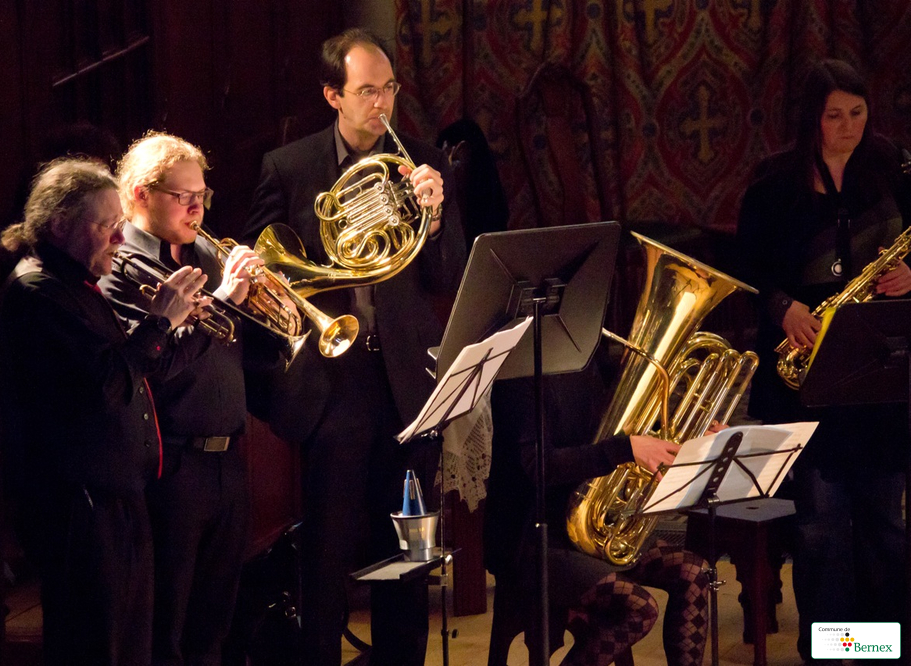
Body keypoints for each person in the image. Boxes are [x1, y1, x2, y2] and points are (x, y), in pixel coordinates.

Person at [242, 28, 466, 666]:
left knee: (409, 554)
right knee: (326, 555)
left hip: (408, 387)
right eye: (366, 90)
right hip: (332, 386)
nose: (382, 103)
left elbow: (448, 276)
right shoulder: (289, 167)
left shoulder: (425, 163)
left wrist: (436, 217)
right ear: (332, 95)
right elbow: (260, 273)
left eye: (389, 88)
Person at [0, 157, 207, 666]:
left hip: (117, 500)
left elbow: (131, 370)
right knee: (96, 648)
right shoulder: (38, 291)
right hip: (80, 510)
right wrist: (158, 323)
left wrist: (184, 324)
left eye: (119, 224)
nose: (118, 238)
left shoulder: (78, 286)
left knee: (131, 647)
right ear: (58, 225)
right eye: (106, 226)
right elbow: (106, 385)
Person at [735, 58, 911, 663]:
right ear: (811, 118)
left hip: (880, 378)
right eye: (834, 115)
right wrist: (783, 308)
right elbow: (746, 272)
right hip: (805, 382)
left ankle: (883, 649)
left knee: (887, 526)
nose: (848, 126)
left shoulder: (892, 169)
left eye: (857, 113)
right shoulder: (772, 187)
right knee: (820, 530)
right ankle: (835, 653)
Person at [99, 132, 284, 666]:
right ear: (141, 194)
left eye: (202, 194)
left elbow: (244, 351)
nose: (197, 208)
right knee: (168, 631)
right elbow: (155, 366)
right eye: (183, 197)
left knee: (215, 628)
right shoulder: (120, 265)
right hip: (172, 467)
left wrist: (270, 304)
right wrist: (223, 301)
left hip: (231, 460)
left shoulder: (208, 253)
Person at [484, 363, 710, 666]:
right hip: (531, 540)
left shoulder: (587, 359)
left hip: (589, 525)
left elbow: (618, 427)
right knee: (640, 609)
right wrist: (624, 449)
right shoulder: (517, 375)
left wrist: (693, 435)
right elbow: (538, 466)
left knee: (694, 573)